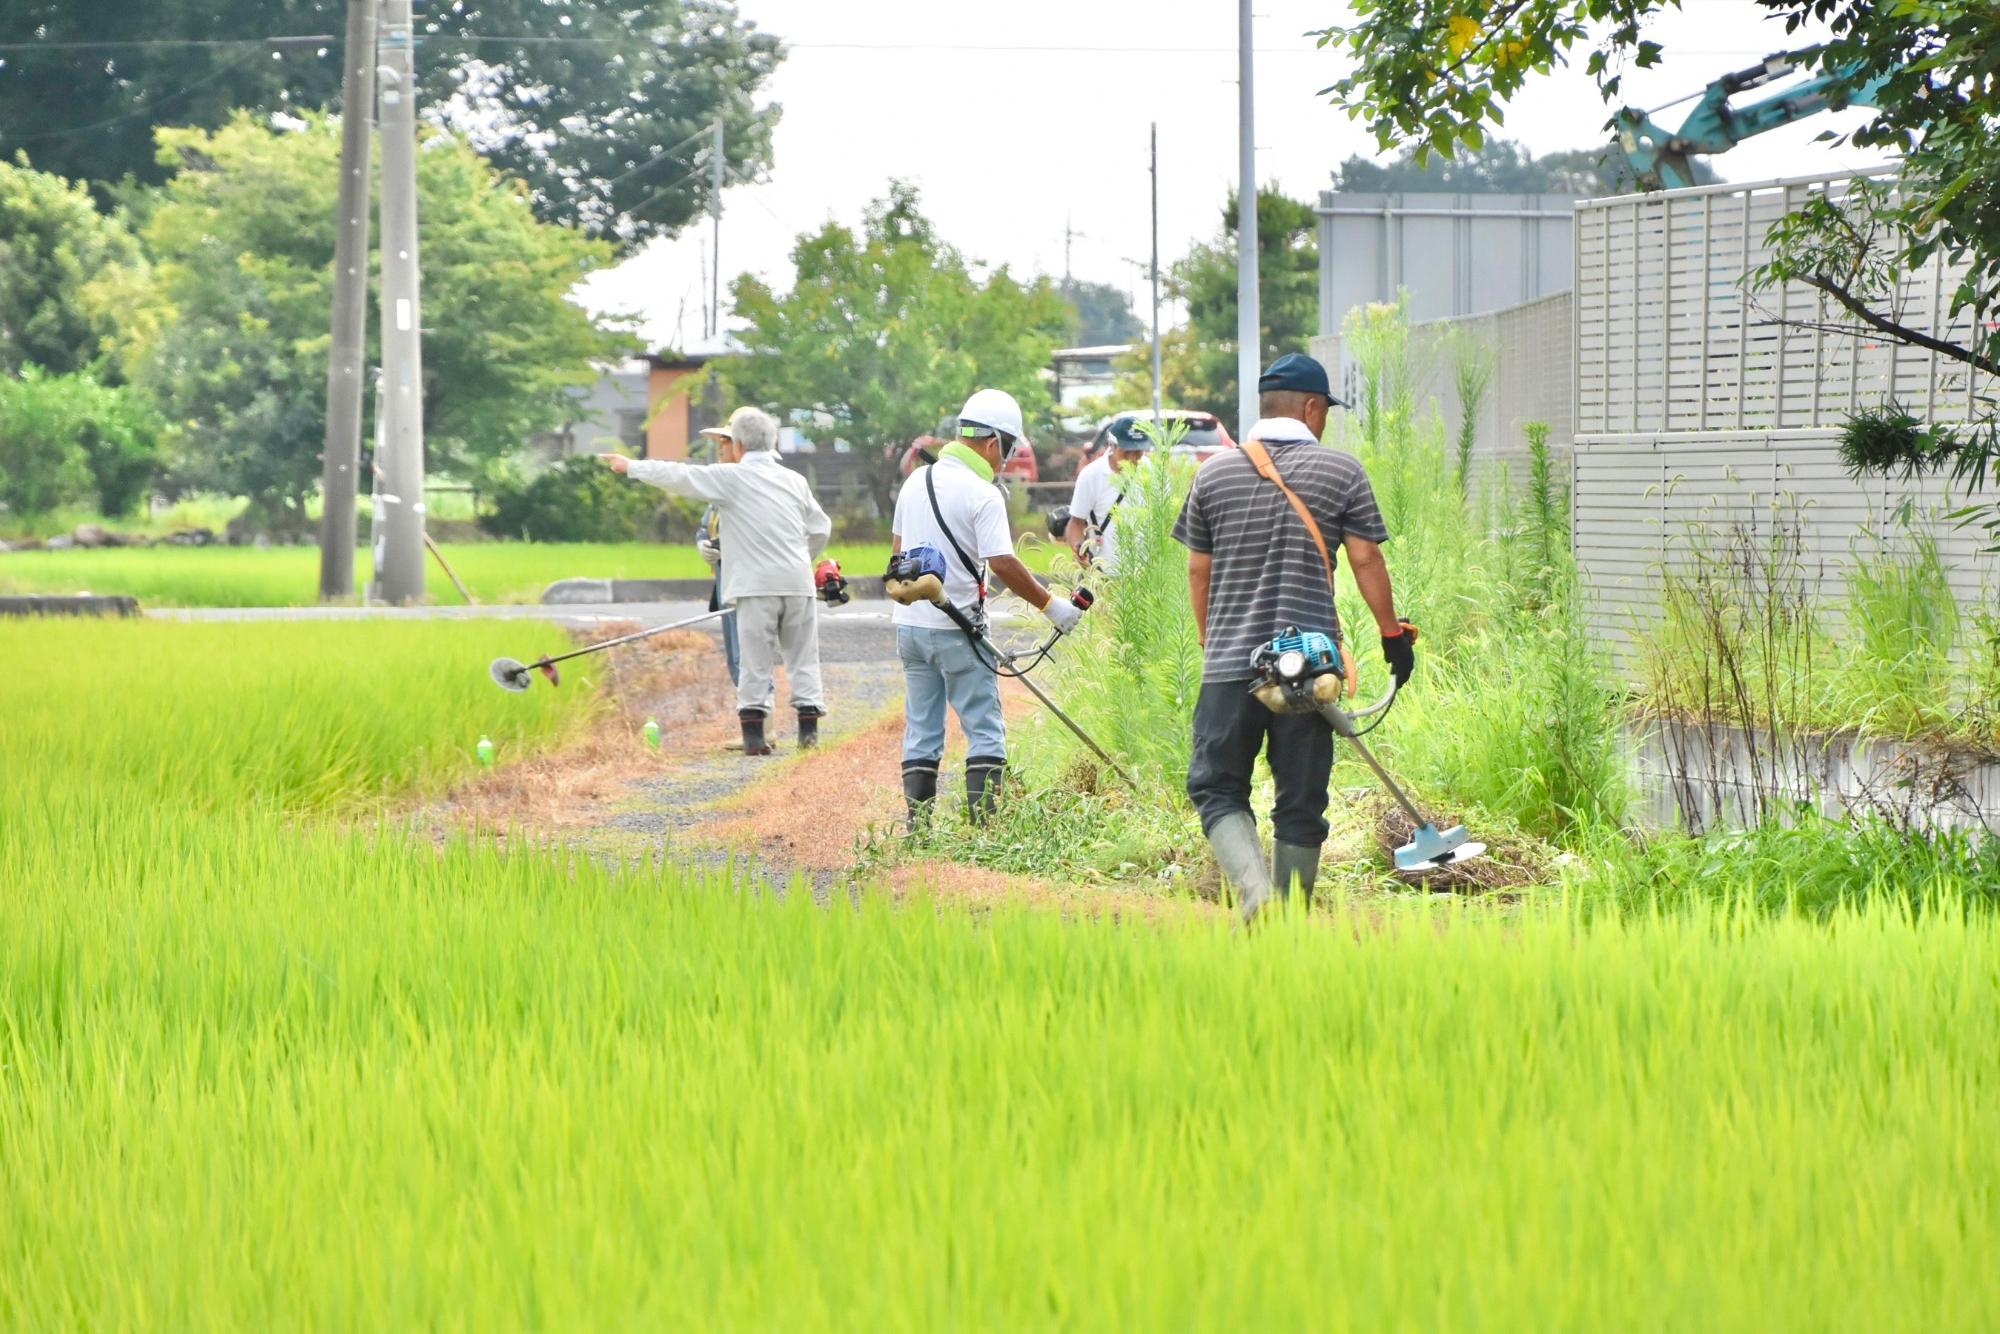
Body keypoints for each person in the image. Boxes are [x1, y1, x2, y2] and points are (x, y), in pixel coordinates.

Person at [1172, 353, 1416, 922]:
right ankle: (1288, 919)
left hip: (1231, 664)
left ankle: (1254, 895)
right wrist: (1391, 636)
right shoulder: (1341, 471)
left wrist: (1215, 643)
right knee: (1301, 801)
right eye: (1324, 409)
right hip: (1310, 668)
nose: (1325, 419)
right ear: (1310, 407)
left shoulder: (1213, 474)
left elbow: (1197, 571)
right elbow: (1365, 557)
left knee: (1217, 787)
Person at [892, 388, 1082, 823]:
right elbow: (1003, 563)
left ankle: (918, 827)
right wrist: (1053, 606)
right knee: (984, 728)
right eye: (1009, 450)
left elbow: (898, 553)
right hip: (958, 629)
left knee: (922, 729)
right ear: (994, 443)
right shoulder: (983, 493)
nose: (1006, 461)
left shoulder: (915, 481)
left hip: (910, 627)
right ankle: (983, 829)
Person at [600, 405, 833, 756]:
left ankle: (754, 740)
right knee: (803, 658)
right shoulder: (795, 480)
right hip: (798, 582)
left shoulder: (730, 477)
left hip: (755, 586)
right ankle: (808, 737)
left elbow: (679, 475)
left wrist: (630, 466)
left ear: (738, 444)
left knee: (755, 661)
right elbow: (821, 527)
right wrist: (802, 556)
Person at [1063, 415, 1152, 573]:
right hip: (1105, 575)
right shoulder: (1091, 475)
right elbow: (1076, 523)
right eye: (1127, 452)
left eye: (1138, 452)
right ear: (1112, 445)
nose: (1133, 458)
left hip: (1144, 576)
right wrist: (1079, 548)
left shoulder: (1150, 470)